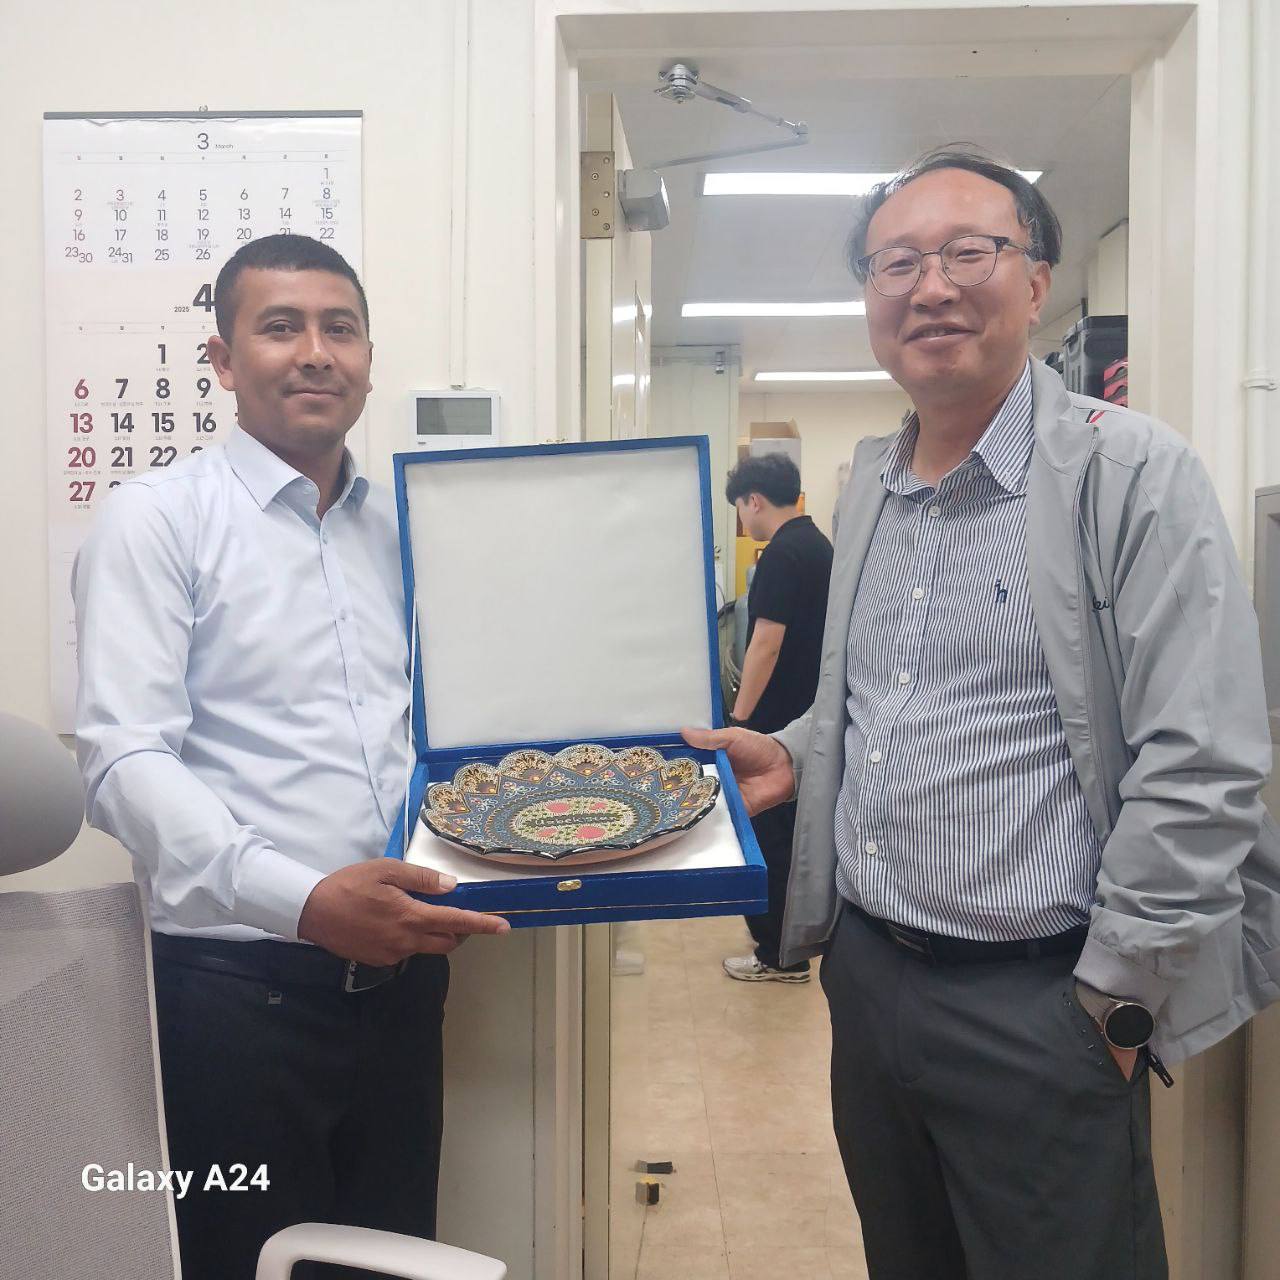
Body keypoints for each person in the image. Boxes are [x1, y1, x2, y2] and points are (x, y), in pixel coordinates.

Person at [685, 149, 1280, 1279]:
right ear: (869, 297)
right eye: (896, 263)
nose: (931, 287)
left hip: (1042, 1004)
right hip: (872, 982)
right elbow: (889, 697)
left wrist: (1112, 1002)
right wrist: (793, 751)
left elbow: (1201, 761)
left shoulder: (1132, 477)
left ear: (1036, 281)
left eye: (969, 253)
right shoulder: (874, 486)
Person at [73, 234, 510, 1280]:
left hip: (402, 985)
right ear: (224, 361)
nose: (315, 351)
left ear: (368, 358)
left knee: (390, 1259)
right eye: (280, 327)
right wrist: (305, 901)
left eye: (339, 328)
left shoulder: (406, 528)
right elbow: (123, 759)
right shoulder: (156, 519)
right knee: (244, 1261)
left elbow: (449, 723)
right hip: (233, 997)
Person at [721, 453, 833, 983]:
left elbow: (766, 643)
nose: (744, 521)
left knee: (769, 838)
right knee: (792, 837)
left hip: (779, 722)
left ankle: (778, 956)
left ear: (754, 500)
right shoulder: (819, 545)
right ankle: (788, 948)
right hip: (810, 712)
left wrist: (740, 718)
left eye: (741, 510)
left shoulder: (782, 554)